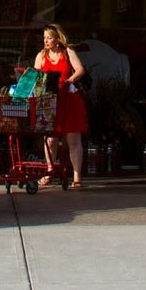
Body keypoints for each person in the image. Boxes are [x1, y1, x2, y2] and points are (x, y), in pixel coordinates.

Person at [32, 24, 91, 190]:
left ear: (58, 40)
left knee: (73, 139)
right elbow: (36, 76)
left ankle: (77, 177)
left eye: (49, 38)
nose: (46, 41)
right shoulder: (41, 55)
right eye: (44, 38)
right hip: (50, 101)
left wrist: (70, 79)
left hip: (68, 99)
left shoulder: (68, 52)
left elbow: (80, 69)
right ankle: (49, 172)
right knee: (50, 139)